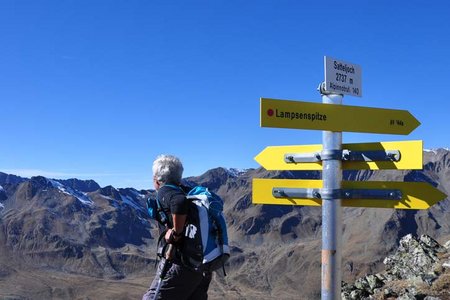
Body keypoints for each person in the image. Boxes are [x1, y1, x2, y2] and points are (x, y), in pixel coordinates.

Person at [142, 154, 212, 300]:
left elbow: (179, 203)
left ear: (157, 179)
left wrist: (176, 233)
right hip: (201, 265)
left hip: (179, 263)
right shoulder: (187, 191)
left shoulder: (165, 191)